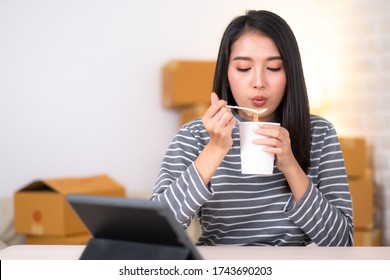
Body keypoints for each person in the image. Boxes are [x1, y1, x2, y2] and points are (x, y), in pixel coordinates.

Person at [152, 10, 353, 246]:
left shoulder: (319, 133)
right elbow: (155, 232)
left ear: (290, 74)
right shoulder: (194, 135)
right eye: (244, 68)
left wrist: (290, 165)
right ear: (226, 74)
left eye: (274, 68)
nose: (258, 82)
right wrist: (215, 149)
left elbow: (342, 242)